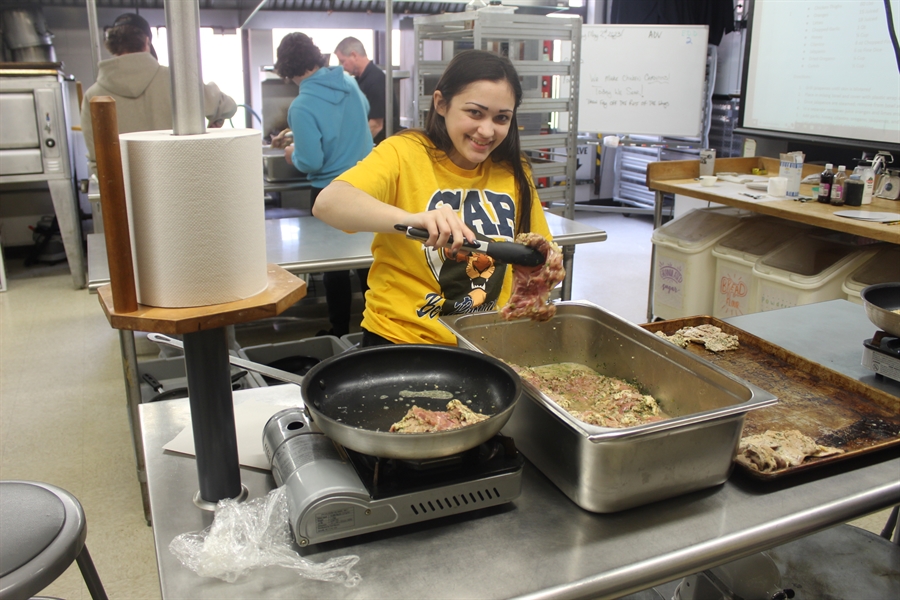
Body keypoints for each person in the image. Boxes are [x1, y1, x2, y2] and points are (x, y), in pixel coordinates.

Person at [313, 50, 552, 347]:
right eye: (475, 113)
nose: (487, 131)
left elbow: (540, 255)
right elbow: (329, 203)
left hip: (484, 341)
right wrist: (412, 219)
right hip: (401, 340)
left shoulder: (514, 171)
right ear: (441, 103)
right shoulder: (405, 152)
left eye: (501, 118)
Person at [275, 32, 373, 338]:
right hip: (368, 183)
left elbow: (312, 160)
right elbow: (361, 116)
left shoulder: (302, 105)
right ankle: (378, 328)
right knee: (368, 261)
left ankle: (339, 331)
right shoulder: (350, 82)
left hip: (331, 191)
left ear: (287, 70)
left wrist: (292, 153)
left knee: (336, 267)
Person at [80, 13, 237, 176]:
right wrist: (215, 117)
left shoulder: (93, 96)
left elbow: (97, 162)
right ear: (147, 41)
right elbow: (228, 107)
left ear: (111, 44)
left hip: (122, 196)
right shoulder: (178, 82)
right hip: (180, 187)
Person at [334, 36, 401, 144]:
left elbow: (376, 125)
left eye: (343, 61)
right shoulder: (358, 81)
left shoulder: (376, 80)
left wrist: (353, 148)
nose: (342, 66)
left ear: (354, 55)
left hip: (380, 147)